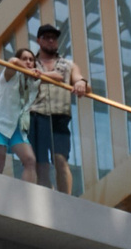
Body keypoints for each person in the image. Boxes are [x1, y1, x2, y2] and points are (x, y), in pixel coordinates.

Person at [25, 26, 87, 194]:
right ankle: (47, 198)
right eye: (47, 37)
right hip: (36, 115)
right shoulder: (31, 62)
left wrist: (81, 83)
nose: (51, 40)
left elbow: (79, 78)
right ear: (39, 40)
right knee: (41, 162)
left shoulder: (67, 65)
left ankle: (65, 199)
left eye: (54, 38)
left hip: (59, 116)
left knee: (60, 159)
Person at [0, 44, 32, 179]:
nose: (28, 62)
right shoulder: (10, 74)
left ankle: (26, 196)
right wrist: (25, 68)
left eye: (31, 60)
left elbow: (56, 76)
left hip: (15, 128)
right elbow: (12, 62)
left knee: (29, 160)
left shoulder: (32, 81)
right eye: (24, 59)